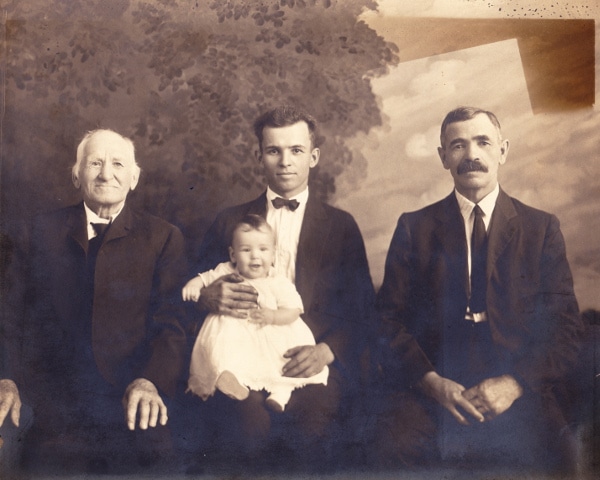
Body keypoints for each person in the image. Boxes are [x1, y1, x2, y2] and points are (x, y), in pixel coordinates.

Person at [373, 107, 584, 474]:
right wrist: (431, 383)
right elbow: (387, 322)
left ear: (502, 150)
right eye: (458, 145)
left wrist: (514, 384)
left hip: (517, 379)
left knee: (561, 456)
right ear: (443, 157)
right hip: (436, 382)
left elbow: (564, 328)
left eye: (482, 142)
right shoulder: (414, 228)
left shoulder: (540, 228)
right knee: (390, 446)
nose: (471, 155)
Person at [189, 105, 375, 470]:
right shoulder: (229, 221)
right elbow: (191, 292)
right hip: (240, 356)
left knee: (311, 432)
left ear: (314, 156)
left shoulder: (340, 226)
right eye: (274, 150)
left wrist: (327, 350)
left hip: (307, 359)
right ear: (258, 156)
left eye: (296, 150)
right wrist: (208, 298)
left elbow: (364, 311)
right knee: (247, 428)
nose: (285, 161)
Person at [22, 129, 188, 473]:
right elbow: (10, 312)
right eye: (95, 163)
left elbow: (172, 322)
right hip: (56, 394)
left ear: (134, 177)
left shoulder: (163, 236)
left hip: (131, 387)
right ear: (76, 174)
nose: (106, 173)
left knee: (157, 460)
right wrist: (7, 378)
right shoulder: (39, 231)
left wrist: (149, 380)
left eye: (117, 164)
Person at [184, 214, 328, 413]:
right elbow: (205, 277)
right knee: (221, 351)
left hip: (271, 331)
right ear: (233, 255)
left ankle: (280, 394)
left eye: (263, 249)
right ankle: (234, 383)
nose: (255, 256)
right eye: (246, 250)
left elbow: (294, 310)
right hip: (236, 333)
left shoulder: (278, 281)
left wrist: (272, 316)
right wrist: (194, 286)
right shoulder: (227, 270)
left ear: (272, 254)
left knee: (281, 362)